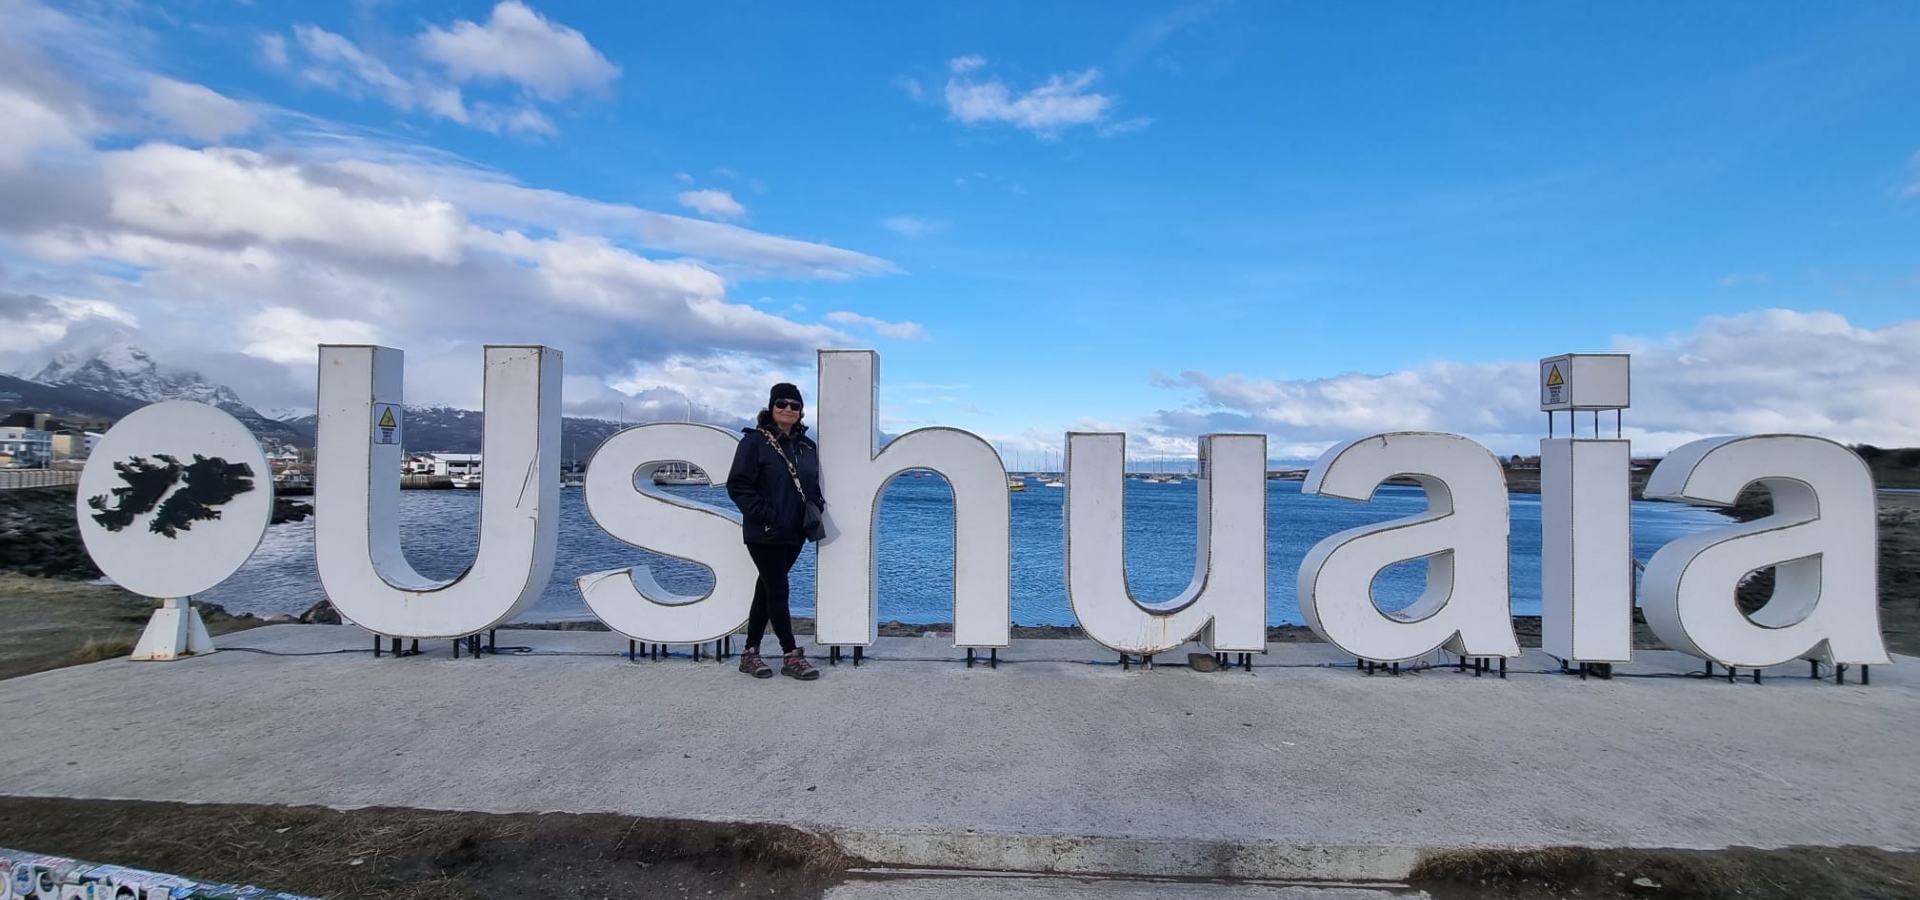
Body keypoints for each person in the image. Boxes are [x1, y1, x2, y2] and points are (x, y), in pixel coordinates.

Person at [725, 382, 823, 680]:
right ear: (771, 407)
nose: (789, 409)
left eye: (795, 405)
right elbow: (738, 485)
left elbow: (812, 484)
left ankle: (750, 652)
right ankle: (791, 655)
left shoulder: (807, 446)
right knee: (778, 589)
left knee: (766, 589)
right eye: (782, 403)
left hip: (795, 531)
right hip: (764, 531)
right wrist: (767, 514)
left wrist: (815, 505)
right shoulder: (754, 442)